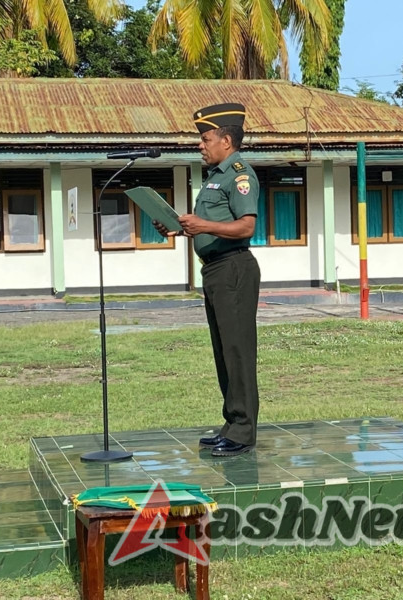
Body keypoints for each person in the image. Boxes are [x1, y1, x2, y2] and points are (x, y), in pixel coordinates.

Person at [154, 102, 261, 457]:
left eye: (205, 138)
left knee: (238, 351)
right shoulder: (215, 177)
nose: (200, 144)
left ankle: (244, 431)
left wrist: (204, 225)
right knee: (223, 351)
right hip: (215, 268)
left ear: (226, 140)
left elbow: (246, 226)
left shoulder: (240, 175)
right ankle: (231, 423)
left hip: (234, 268)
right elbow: (209, 227)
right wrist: (179, 228)